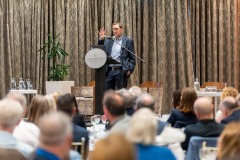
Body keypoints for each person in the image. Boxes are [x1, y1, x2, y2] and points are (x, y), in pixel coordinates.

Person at [98, 21, 135, 90]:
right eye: (113, 29)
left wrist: (130, 70)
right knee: (107, 93)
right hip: (109, 71)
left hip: (121, 71)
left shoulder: (128, 41)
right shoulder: (109, 40)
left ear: (121, 29)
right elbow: (100, 51)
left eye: (116, 29)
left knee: (121, 94)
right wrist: (101, 39)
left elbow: (132, 57)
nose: (114, 31)